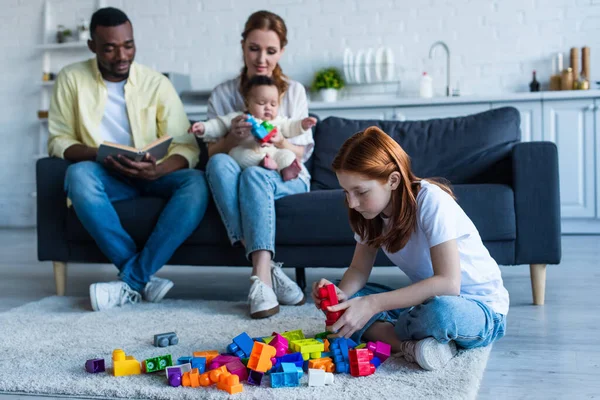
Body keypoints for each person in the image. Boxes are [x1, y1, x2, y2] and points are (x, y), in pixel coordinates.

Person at [48, 7, 208, 311]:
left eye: (128, 45)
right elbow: (59, 140)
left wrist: (157, 170)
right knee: (79, 175)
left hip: (155, 175)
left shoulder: (156, 83)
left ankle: (132, 279)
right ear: (92, 46)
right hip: (106, 174)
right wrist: (98, 153)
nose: (122, 55)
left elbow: (187, 146)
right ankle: (142, 276)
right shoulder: (72, 79)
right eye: (109, 47)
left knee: (197, 183)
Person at [311, 126, 508, 371]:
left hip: (477, 308)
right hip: (423, 302)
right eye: (346, 192)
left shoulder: (430, 200)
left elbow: (448, 284)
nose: (351, 202)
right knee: (347, 300)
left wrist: (373, 305)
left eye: (360, 191)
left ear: (392, 180)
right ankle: (413, 345)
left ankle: (389, 332)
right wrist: (339, 297)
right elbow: (359, 270)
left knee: (440, 313)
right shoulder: (367, 213)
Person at [205, 10, 313, 319]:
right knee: (217, 165)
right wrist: (232, 138)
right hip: (237, 168)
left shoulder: (293, 92)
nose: (261, 58)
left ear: (282, 51)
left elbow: (300, 151)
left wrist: (278, 140)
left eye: (270, 50)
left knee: (253, 175)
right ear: (242, 46)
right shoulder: (223, 94)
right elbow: (213, 153)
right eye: (254, 48)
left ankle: (262, 279)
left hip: (283, 172)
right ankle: (270, 271)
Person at [190, 75, 316, 181]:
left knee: (286, 154)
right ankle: (262, 164)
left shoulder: (277, 121)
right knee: (238, 155)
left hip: (272, 154)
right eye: (262, 103)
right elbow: (218, 124)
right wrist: (203, 127)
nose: (268, 107)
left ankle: (287, 169)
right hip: (247, 151)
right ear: (247, 103)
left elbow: (291, 126)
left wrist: (303, 125)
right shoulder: (241, 118)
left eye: (273, 104)